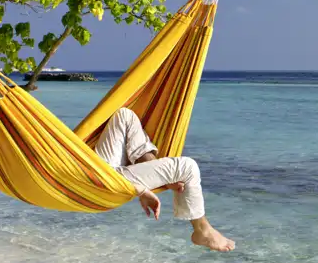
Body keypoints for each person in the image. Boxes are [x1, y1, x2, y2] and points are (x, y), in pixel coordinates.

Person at [95, 107, 235, 252]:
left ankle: (154, 169)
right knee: (187, 167)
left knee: (125, 115)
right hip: (100, 182)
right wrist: (140, 190)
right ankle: (202, 229)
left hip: (94, 169)